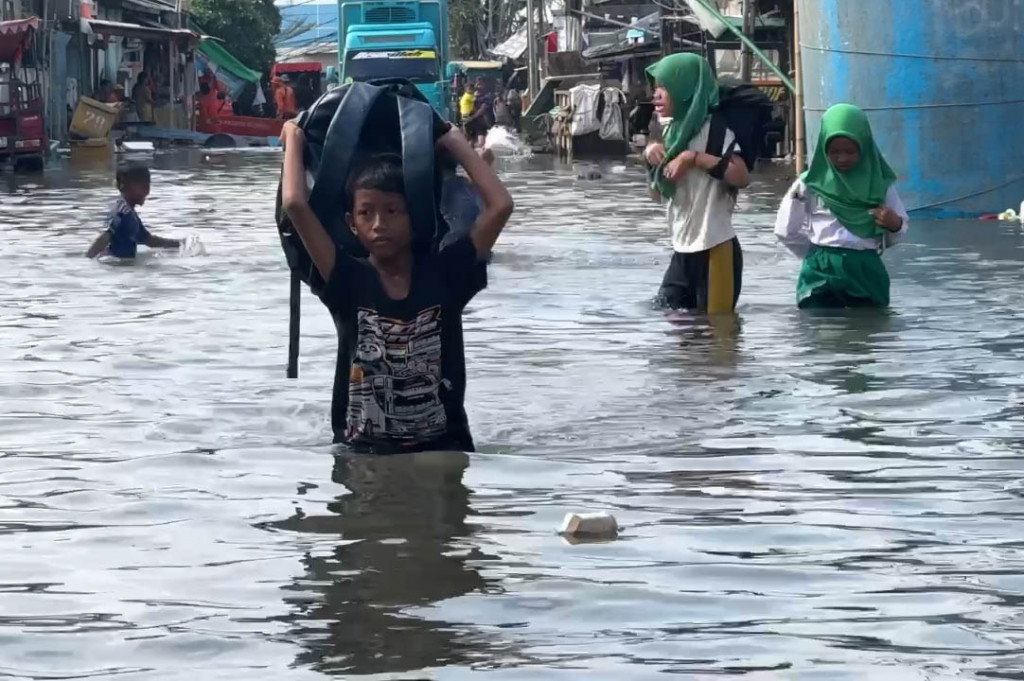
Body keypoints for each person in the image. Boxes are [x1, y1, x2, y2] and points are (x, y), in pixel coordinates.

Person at [279, 121, 513, 453]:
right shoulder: (346, 279)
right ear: (351, 224)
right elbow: (295, 205)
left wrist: (455, 141)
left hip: (443, 450)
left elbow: (500, 206)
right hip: (362, 454)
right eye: (366, 213)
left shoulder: (448, 275)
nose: (379, 224)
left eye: (392, 211)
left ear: (414, 216)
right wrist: (293, 138)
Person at [643, 53, 750, 314]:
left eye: (664, 88)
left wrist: (692, 158)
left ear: (685, 90)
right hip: (682, 248)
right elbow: (657, 194)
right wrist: (650, 155)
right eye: (656, 88)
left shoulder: (714, 129)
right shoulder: (667, 130)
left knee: (718, 335)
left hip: (716, 248)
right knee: (670, 319)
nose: (657, 95)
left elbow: (741, 176)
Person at [774, 103, 908, 308]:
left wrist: (894, 224)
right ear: (823, 148)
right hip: (820, 268)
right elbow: (785, 230)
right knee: (820, 329)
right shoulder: (809, 184)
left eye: (850, 151)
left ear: (864, 146)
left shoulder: (880, 185)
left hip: (866, 269)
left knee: (869, 329)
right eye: (834, 152)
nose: (843, 158)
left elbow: (897, 231)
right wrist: (814, 255)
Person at [86, 164, 181, 259]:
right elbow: (104, 237)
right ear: (127, 186)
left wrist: (182, 244)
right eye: (143, 186)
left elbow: (149, 240)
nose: (147, 191)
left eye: (147, 186)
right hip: (113, 266)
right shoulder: (121, 211)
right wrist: (87, 261)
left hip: (123, 266)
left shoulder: (131, 214)